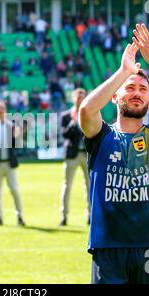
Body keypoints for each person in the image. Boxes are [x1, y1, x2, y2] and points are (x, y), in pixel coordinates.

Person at [79, 23, 149, 284]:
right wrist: (124, 72)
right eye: (130, 88)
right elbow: (86, 111)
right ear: (115, 97)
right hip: (108, 247)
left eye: (143, 90)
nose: (137, 94)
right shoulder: (101, 136)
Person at [59, 88, 90, 226]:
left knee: (89, 186)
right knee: (67, 186)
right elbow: (64, 135)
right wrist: (73, 122)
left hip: (86, 154)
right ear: (73, 99)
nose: (80, 99)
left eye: (82, 96)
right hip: (71, 155)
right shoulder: (66, 115)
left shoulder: (90, 114)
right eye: (78, 97)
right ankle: (64, 216)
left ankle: (90, 216)